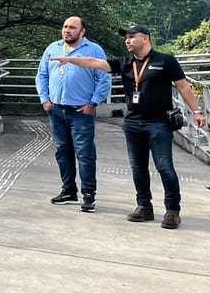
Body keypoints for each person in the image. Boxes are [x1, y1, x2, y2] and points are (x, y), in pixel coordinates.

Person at [50, 25, 207, 229]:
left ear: (145, 39)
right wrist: (70, 59)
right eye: (126, 38)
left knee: (164, 167)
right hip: (132, 123)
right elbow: (96, 63)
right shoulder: (125, 63)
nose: (127, 40)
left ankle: (172, 210)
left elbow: (183, 86)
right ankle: (144, 207)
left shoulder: (165, 60)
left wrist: (196, 111)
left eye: (132, 37)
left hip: (158, 123)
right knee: (138, 168)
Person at [35, 16, 111, 212]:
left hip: (81, 111)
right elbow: (42, 75)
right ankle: (68, 190)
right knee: (62, 151)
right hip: (56, 110)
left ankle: (88, 195)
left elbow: (103, 79)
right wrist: (45, 99)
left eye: (72, 27)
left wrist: (94, 102)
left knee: (85, 153)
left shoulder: (94, 50)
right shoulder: (53, 48)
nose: (67, 30)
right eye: (65, 27)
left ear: (82, 31)